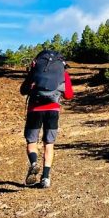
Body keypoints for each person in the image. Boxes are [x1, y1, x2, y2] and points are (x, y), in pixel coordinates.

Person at [20, 49, 74, 188]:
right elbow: (69, 95)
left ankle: (33, 163)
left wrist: (31, 73)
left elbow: (23, 90)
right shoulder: (62, 73)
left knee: (32, 140)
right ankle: (45, 177)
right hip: (53, 110)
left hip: (34, 110)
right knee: (48, 144)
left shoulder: (36, 71)